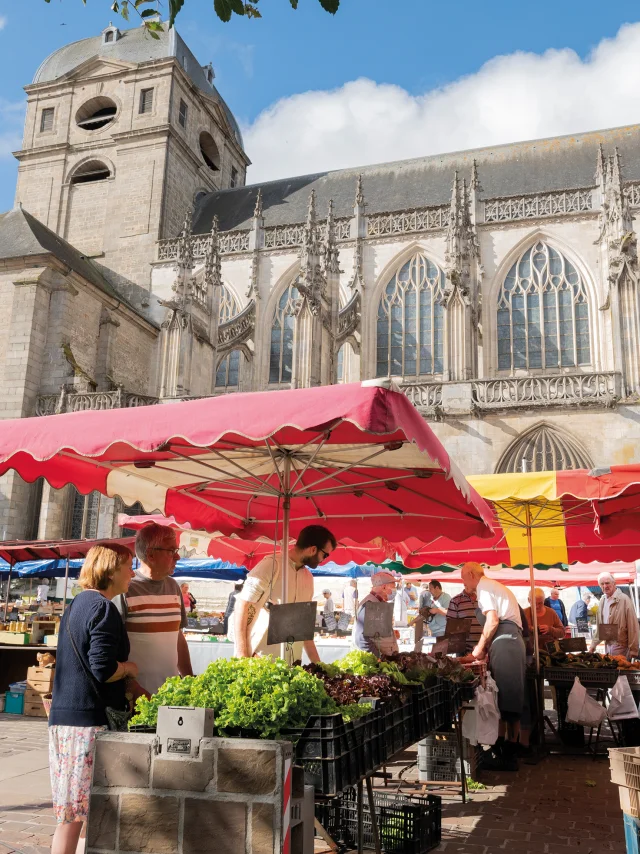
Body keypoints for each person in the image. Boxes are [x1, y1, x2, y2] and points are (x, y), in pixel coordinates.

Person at [49, 543, 137, 854]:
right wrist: (128, 668)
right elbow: (102, 668)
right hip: (87, 722)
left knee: (72, 813)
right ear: (111, 570)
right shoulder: (102, 608)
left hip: (65, 719)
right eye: (128, 566)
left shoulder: (76, 604)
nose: (132, 572)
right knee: (76, 815)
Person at [234, 525, 336, 661]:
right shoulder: (271, 565)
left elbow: (304, 625)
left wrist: (318, 664)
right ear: (313, 549)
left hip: (293, 661)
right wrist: (242, 656)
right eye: (325, 554)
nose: (324, 559)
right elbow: (242, 605)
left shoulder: (308, 578)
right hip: (262, 659)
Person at [114, 523, 193, 698]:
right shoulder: (125, 589)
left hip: (171, 694)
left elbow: (177, 637)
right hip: (136, 697)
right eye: (171, 551)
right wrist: (132, 688)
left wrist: (189, 680)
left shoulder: (173, 587)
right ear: (150, 554)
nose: (178, 556)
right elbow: (112, 647)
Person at [462, 562, 525, 771]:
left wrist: (479, 649)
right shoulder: (494, 587)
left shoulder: (485, 586)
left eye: (463, 578)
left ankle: (509, 754)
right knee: (506, 695)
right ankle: (504, 746)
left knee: (508, 695)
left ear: (471, 574)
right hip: (506, 641)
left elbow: (492, 620)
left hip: (506, 640)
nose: (464, 584)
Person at [589, 572, 639, 659]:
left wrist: (633, 650)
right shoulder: (602, 600)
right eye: (602, 584)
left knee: (621, 671)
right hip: (608, 644)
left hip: (622, 646)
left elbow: (633, 625)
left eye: (607, 583)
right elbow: (600, 626)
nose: (605, 586)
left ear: (614, 583)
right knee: (610, 670)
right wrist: (593, 645)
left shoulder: (624, 599)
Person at [353, 571, 398, 655]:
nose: (395, 590)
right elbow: (361, 639)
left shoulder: (378, 603)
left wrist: (390, 635)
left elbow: (375, 632)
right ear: (384, 587)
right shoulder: (371, 604)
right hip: (379, 662)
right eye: (393, 587)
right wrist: (378, 657)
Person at [446, 581, 482, 654]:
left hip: (484, 647)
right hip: (464, 649)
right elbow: (451, 626)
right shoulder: (455, 601)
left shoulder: (484, 598)